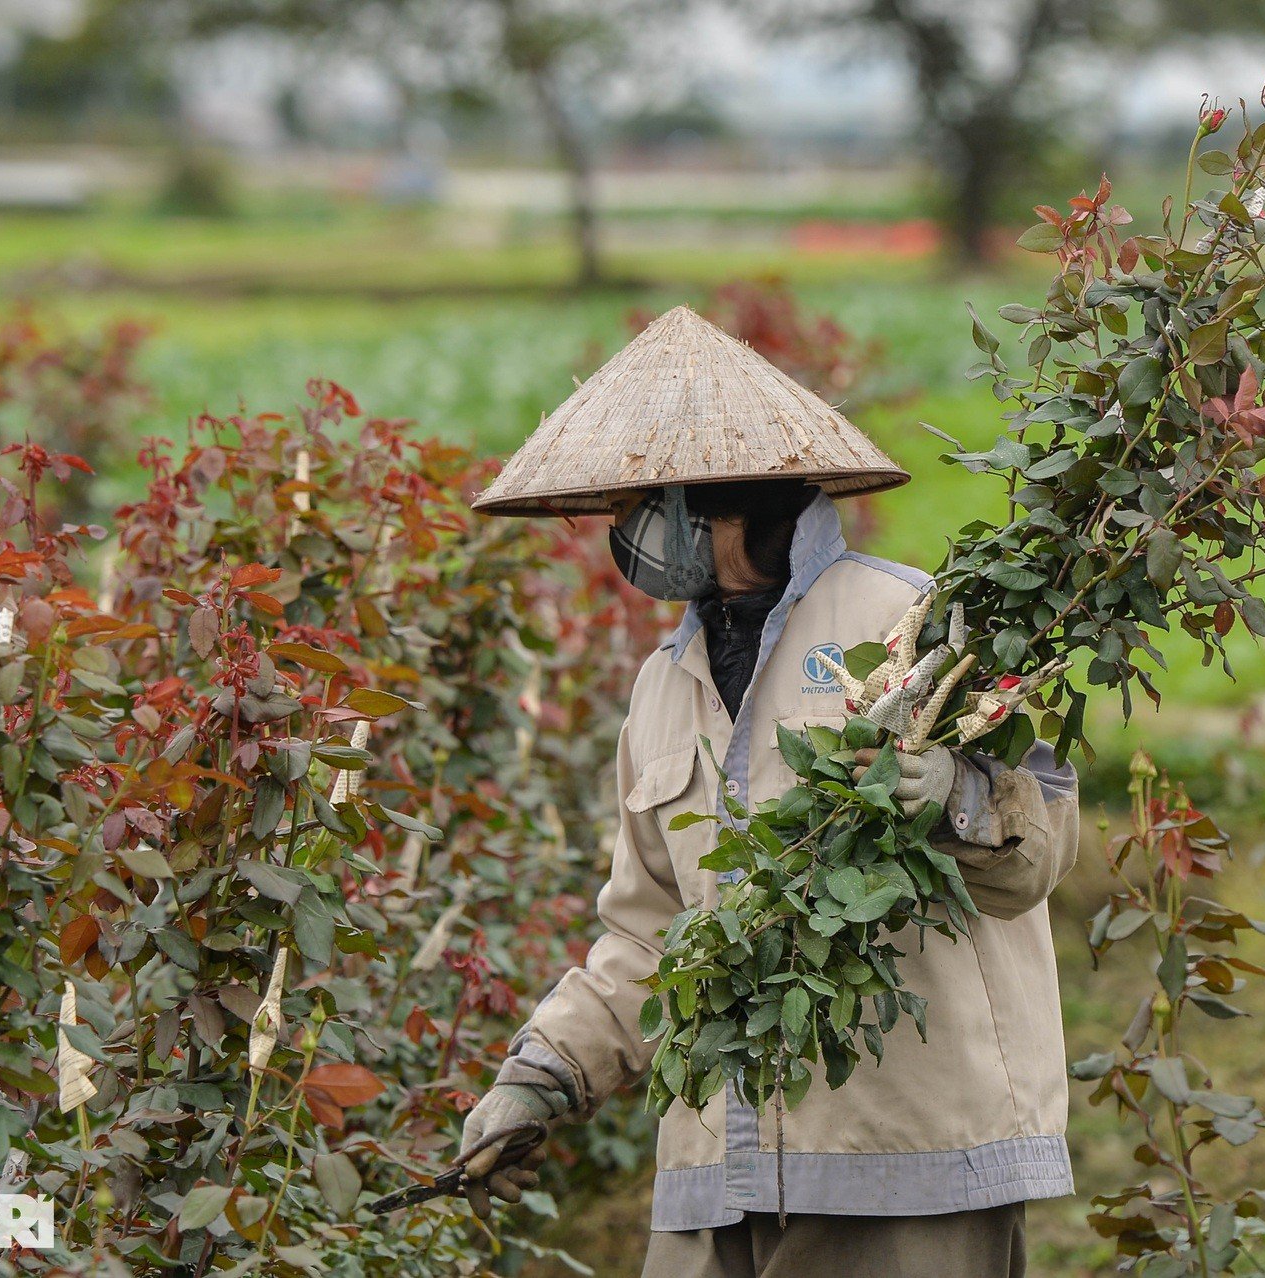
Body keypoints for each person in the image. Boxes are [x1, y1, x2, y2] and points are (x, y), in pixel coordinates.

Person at [463, 306, 1080, 1277]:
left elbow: (1037, 856)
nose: (626, 531)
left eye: (643, 503)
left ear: (724, 501)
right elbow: (649, 931)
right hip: (718, 1164)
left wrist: (951, 794)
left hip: (905, 1161)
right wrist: (545, 1070)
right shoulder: (665, 685)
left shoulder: (919, 629)